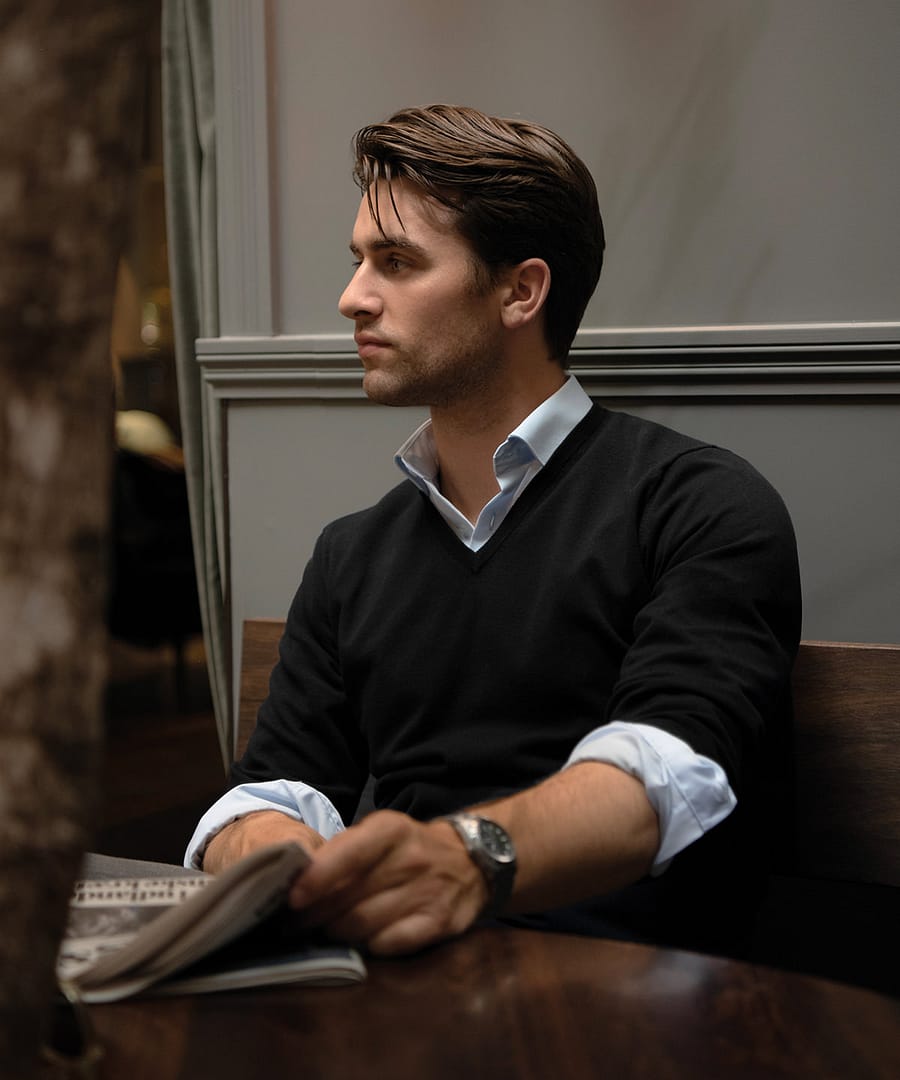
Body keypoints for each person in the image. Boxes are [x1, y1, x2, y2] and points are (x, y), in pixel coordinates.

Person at [186, 104, 801, 959]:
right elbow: (266, 794)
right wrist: (281, 859)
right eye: (358, 261)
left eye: (396, 262)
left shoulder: (699, 504)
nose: (352, 297)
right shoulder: (351, 555)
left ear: (521, 291)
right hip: (400, 978)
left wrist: (461, 861)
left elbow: (664, 775)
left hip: (633, 991)